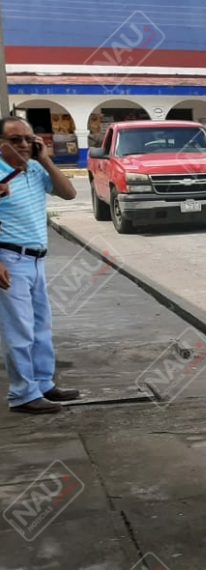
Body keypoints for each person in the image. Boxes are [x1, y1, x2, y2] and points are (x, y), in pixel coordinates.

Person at [0, 116, 80, 414]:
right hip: (9, 259)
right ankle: (23, 394)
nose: (23, 144)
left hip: (36, 259)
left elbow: (69, 193)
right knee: (18, 331)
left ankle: (44, 383)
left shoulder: (35, 168)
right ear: (1, 144)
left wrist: (45, 160)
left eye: (28, 139)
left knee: (40, 327)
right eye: (15, 139)